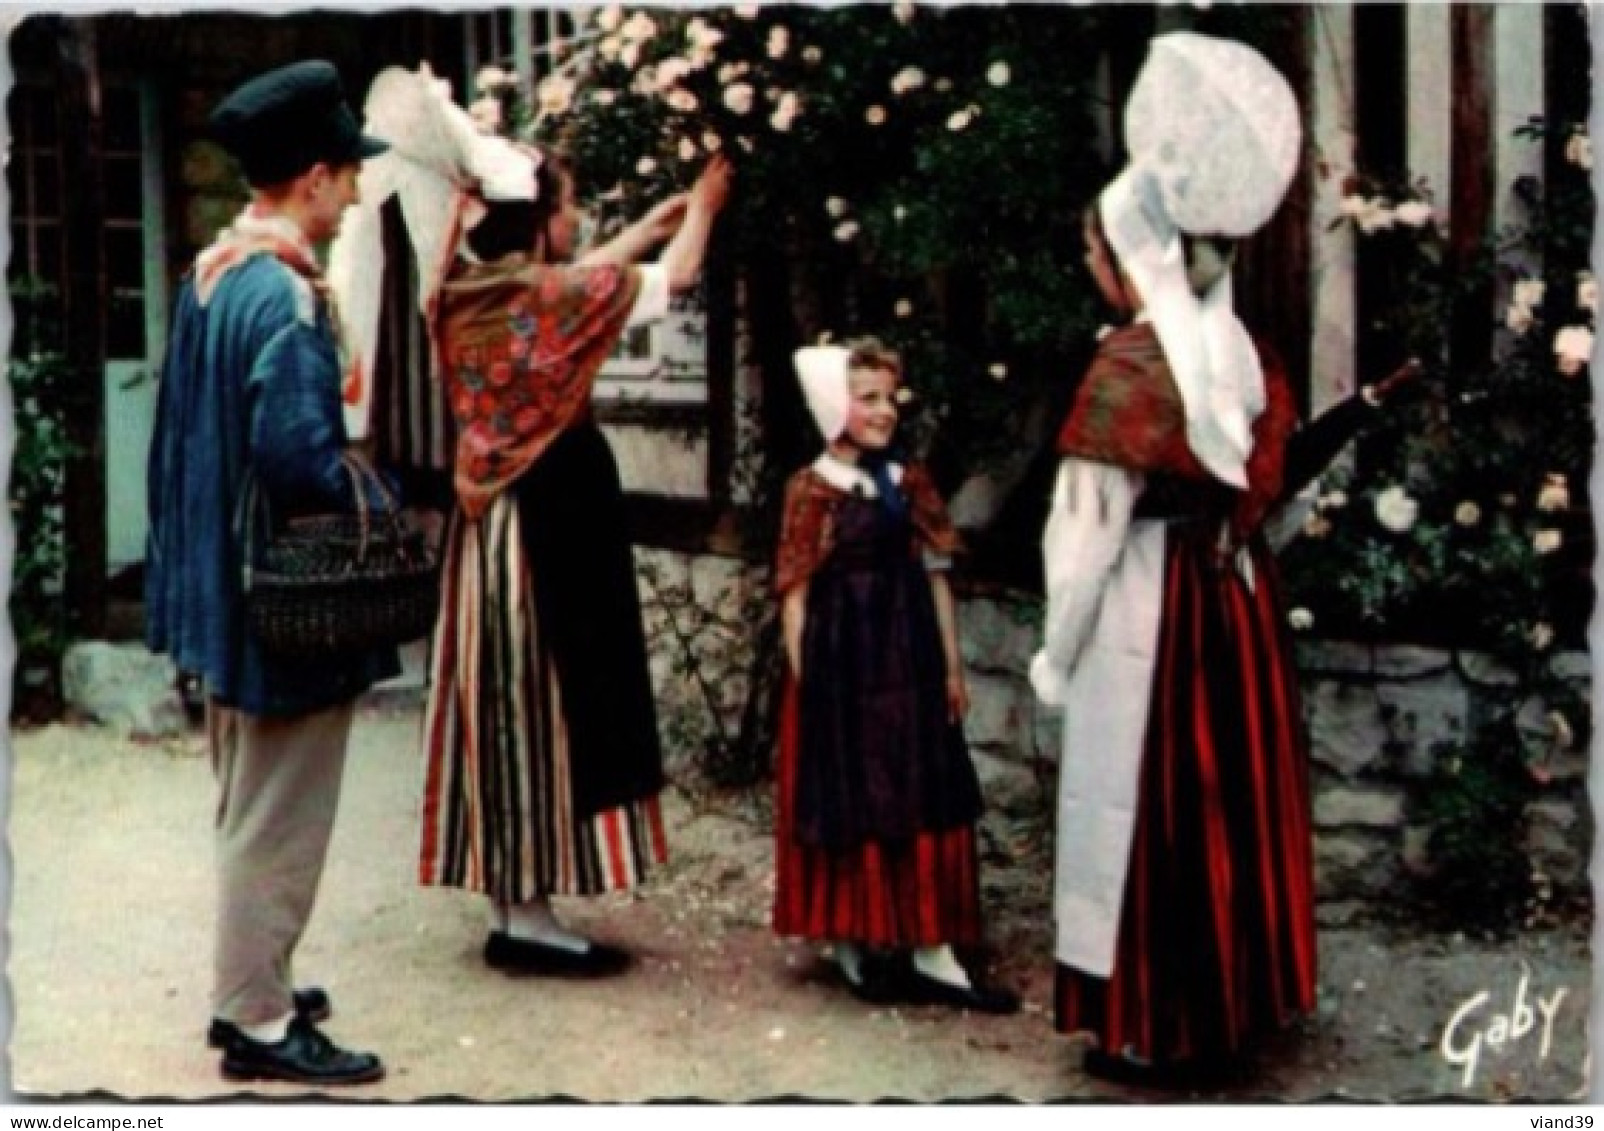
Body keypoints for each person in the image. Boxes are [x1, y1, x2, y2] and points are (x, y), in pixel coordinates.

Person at [1029, 32, 1410, 1087]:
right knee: (1222, 799)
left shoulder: (1126, 370)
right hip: (1230, 608)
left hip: (1152, 614)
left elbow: (1086, 534)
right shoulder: (1234, 351)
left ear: (1127, 255)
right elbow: (1267, 481)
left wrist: (1055, 655)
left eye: (1094, 253)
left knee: (1145, 807)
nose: (1090, 270)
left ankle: (1151, 1023)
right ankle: (1227, 1007)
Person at [331, 66, 730, 975]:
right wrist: (703, 206)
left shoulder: (465, 296)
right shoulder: (539, 299)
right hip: (547, 524)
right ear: (534, 220)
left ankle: (515, 904)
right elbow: (671, 280)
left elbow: (573, 279)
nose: (578, 220)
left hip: (487, 532)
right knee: (550, 699)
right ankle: (533, 918)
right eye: (571, 206)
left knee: (500, 700)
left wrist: (648, 221)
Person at [145, 60, 395, 1086]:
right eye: (348, 174)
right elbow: (298, 459)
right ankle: (253, 1018)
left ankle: (260, 977)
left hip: (222, 584)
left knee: (246, 799)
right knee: (277, 816)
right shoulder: (287, 298)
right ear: (314, 178)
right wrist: (366, 492)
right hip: (280, 603)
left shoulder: (215, 276)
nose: (354, 194)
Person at [771, 340, 1019, 1014]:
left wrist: (952, 666)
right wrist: (809, 685)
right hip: (842, 666)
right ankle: (854, 935)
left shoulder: (907, 481)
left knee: (922, 790)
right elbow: (795, 594)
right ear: (833, 405)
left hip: (905, 659)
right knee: (851, 793)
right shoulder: (812, 488)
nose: (884, 410)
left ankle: (931, 946)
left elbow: (937, 578)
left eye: (889, 396)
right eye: (867, 397)